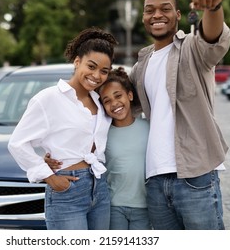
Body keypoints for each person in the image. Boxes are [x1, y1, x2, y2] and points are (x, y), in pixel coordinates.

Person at [129, 0, 230, 230]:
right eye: (149, 10)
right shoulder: (141, 65)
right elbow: (116, 110)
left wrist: (213, 8)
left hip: (195, 174)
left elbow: (213, 39)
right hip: (154, 180)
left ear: (177, 15)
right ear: (143, 17)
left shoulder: (192, 48)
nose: (156, 15)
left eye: (165, 9)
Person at [8, 27, 118, 230]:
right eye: (91, 66)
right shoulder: (49, 98)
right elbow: (17, 143)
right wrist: (49, 177)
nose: (97, 75)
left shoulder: (100, 100)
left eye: (104, 71)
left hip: (99, 188)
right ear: (77, 62)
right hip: (68, 190)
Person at [46, 67, 152, 230]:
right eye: (107, 100)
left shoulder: (148, 128)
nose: (114, 103)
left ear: (129, 95)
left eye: (118, 96)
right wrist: (48, 160)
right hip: (113, 206)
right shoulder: (101, 133)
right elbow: (76, 151)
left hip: (145, 207)